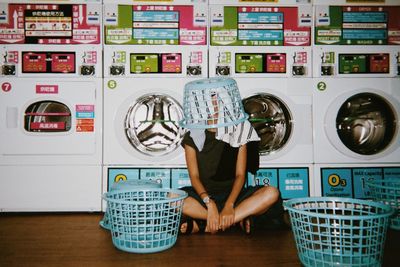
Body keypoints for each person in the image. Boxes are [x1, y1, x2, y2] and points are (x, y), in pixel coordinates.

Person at [178, 77, 282, 235]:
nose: (213, 105)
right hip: (203, 196)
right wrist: (209, 202)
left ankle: (212, 222)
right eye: (209, 100)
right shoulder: (192, 135)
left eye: (218, 100)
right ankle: (230, 221)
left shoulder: (239, 132)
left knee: (272, 193)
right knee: (173, 199)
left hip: (235, 195)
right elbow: (194, 176)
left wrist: (230, 205)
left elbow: (240, 175)